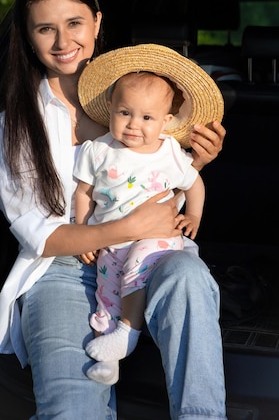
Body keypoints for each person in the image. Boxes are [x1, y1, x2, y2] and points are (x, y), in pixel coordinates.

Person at [0, 0, 228, 420]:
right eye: (44, 28)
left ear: (96, 21)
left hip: (149, 251)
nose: (62, 41)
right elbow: (41, 236)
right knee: (72, 412)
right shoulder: (13, 126)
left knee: (189, 278)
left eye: (74, 23)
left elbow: (171, 178)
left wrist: (199, 163)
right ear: (28, 37)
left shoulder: (148, 103)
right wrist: (124, 227)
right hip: (62, 270)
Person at [75, 59, 215, 385]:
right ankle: (111, 358)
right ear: (110, 107)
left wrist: (192, 215)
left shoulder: (169, 152)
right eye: (125, 112)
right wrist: (85, 233)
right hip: (110, 240)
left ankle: (128, 331)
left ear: (165, 122)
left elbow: (194, 182)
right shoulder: (97, 150)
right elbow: (84, 193)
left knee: (137, 264)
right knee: (106, 292)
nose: (134, 124)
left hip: (157, 239)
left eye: (147, 117)